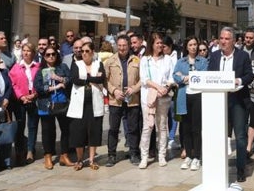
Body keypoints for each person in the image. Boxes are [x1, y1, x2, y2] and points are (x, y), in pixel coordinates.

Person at [207, 27, 254, 182]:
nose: (223, 41)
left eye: (227, 39)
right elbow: (209, 76)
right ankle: (219, 166)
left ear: (234, 41)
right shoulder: (214, 56)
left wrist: (238, 80)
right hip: (218, 100)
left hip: (238, 100)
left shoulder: (242, 56)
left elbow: (249, 75)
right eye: (221, 38)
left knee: (240, 136)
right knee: (219, 135)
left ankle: (240, 169)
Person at [138, 32, 176, 169]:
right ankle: (144, 156)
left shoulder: (167, 59)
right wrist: (158, 87)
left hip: (164, 97)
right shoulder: (145, 60)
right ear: (152, 44)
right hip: (148, 97)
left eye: (161, 43)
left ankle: (162, 155)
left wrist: (166, 87)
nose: (160, 45)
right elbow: (144, 79)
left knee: (162, 126)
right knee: (148, 127)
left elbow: (172, 77)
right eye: (157, 43)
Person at [67, 41, 106, 170]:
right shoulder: (76, 64)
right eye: (82, 51)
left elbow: (102, 78)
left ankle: (91, 160)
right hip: (79, 104)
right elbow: (74, 80)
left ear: (92, 52)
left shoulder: (98, 64)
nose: (84, 53)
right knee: (78, 132)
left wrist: (88, 78)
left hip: (94, 103)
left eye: (87, 51)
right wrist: (91, 78)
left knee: (94, 132)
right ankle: (79, 159)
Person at [105, 35, 142, 166]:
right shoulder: (110, 61)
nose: (122, 48)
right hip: (116, 100)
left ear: (129, 46)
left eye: (124, 46)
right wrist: (114, 90)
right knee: (113, 128)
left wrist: (134, 88)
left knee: (133, 128)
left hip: (132, 100)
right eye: (119, 46)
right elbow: (105, 80)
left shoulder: (136, 60)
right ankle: (111, 155)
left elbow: (143, 79)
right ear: (116, 46)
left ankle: (134, 153)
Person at [173, 36, 209, 171]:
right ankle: (188, 154)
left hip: (198, 96)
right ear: (186, 47)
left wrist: (187, 76)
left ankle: (197, 157)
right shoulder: (181, 61)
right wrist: (185, 77)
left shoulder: (203, 61)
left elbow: (203, 75)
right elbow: (175, 76)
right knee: (186, 127)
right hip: (184, 96)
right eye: (190, 45)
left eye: (195, 44)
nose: (193, 47)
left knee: (196, 128)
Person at [34, 46, 71, 169]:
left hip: (62, 103)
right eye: (48, 55)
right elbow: (38, 87)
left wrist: (59, 78)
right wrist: (53, 88)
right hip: (47, 104)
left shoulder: (62, 67)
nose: (51, 56)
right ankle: (48, 156)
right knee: (47, 131)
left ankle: (64, 155)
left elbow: (69, 80)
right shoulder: (41, 70)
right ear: (44, 57)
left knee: (66, 130)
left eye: (53, 54)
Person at [9, 42, 40, 165]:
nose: (26, 53)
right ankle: (19, 150)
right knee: (20, 127)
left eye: (29, 51)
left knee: (33, 126)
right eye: (24, 50)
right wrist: (21, 96)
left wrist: (35, 94)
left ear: (33, 53)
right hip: (20, 101)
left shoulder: (38, 67)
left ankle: (30, 150)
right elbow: (13, 84)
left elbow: (40, 82)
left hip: (33, 99)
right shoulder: (16, 67)